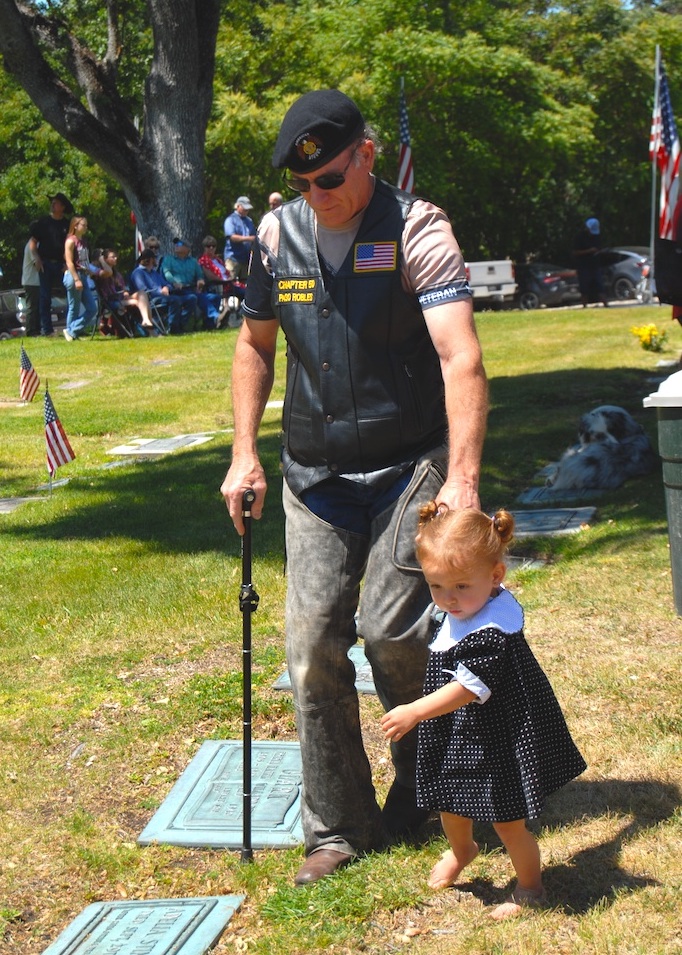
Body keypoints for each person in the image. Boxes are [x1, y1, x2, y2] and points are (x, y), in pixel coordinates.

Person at [220, 89, 488, 886]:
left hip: (411, 463)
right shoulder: (275, 235)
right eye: (305, 184)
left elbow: (459, 357)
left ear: (366, 155)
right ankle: (337, 825)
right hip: (315, 470)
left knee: (395, 630)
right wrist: (245, 453)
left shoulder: (419, 230)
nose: (319, 194)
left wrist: (463, 482)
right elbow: (254, 347)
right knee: (309, 648)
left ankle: (425, 785)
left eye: (331, 177)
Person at [381, 506, 587, 919]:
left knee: (508, 821)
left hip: (497, 735)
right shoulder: (465, 606)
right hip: (459, 732)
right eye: (436, 586)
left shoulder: (491, 630)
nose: (448, 599)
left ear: (496, 577)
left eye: (460, 585)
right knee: (449, 802)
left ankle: (531, 885)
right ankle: (463, 850)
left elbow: (467, 688)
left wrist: (416, 711)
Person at [28, 192, 74, 336]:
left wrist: (69, 263)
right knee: (45, 297)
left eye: (56, 203)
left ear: (62, 207)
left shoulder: (68, 224)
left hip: (62, 265)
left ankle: (71, 327)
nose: (52, 205)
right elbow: (33, 242)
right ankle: (46, 330)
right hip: (45, 264)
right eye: (52, 203)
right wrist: (36, 258)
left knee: (69, 295)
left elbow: (72, 245)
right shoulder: (43, 222)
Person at [62, 216, 110, 341]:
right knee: (74, 307)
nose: (86, 227)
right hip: (73, 276)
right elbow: (69, 262)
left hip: (83, 274)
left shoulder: (83, 241)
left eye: (86, 225)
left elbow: (83, 261)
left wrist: (88, 270)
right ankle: (71, 333)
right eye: (84, 225)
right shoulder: (70, 241)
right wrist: (76, 279)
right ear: (76, 226)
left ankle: (71, 331)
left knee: (92, 308)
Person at [162, 237, 222, 330]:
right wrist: (174, 282)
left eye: (180, 244)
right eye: (176, 244)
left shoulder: (193, 261)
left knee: (215, 297)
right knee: (194, 298)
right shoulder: (169, 259)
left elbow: (200, 275)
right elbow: (167, 273)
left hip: (190, 289)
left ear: (188, 249)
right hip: (176, 290)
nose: (177, 246)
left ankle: (210, 325)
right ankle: (215, 317)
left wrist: (200, 280)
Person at [96, 249, 154, 335]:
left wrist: (126, 293)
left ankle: (146, 320)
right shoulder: (101, 273)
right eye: (112, 257)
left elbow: (123, 287)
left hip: (121, 298)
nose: (115, 259)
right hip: (111, 301)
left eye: (116, 257)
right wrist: (101, 260)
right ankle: (151, 331)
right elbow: (108, 293)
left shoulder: (117, 273)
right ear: (105, 259)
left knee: (142, 294)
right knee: (137, 302)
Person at [130, 248, 186, 333]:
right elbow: (143, 290)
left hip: (163, 297)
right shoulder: (137, 273)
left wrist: (166, 288)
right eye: (154, 258)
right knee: (175, 300)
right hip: (151, 300)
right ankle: (173, 328)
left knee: (190, 299)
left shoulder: (154, 273)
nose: (156, 260)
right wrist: (160, 292)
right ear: (150, 260)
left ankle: (181, 326)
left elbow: (167, 284)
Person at [573, 218, 608, 307]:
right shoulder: (579, 237)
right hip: (584, 266)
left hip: (595, 265)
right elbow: (575, 252)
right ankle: (584, 305)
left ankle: (605, 304)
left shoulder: (596, 237)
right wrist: (589, 251)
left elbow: (599, 247)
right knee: (584, 287)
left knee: (600, 285)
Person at [223, 196, 256, 280]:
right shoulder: (230, 220)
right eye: (244, 208)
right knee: (230, 283)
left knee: (245, 285)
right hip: (233, 258)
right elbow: (232, 237)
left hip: (246, 260)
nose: (246, 210)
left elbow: (254, 236)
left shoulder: (249, 221)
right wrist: (249, 239)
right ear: (238, 206)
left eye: (247, 209)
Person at [21, 240, 41, 337]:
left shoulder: (35, 244)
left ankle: (37, 330)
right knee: (31, 307)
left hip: (34, 281)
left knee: (36, 307)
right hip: (30, 281)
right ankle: (30, 331)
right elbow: (37, 266)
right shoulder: (31, 245)